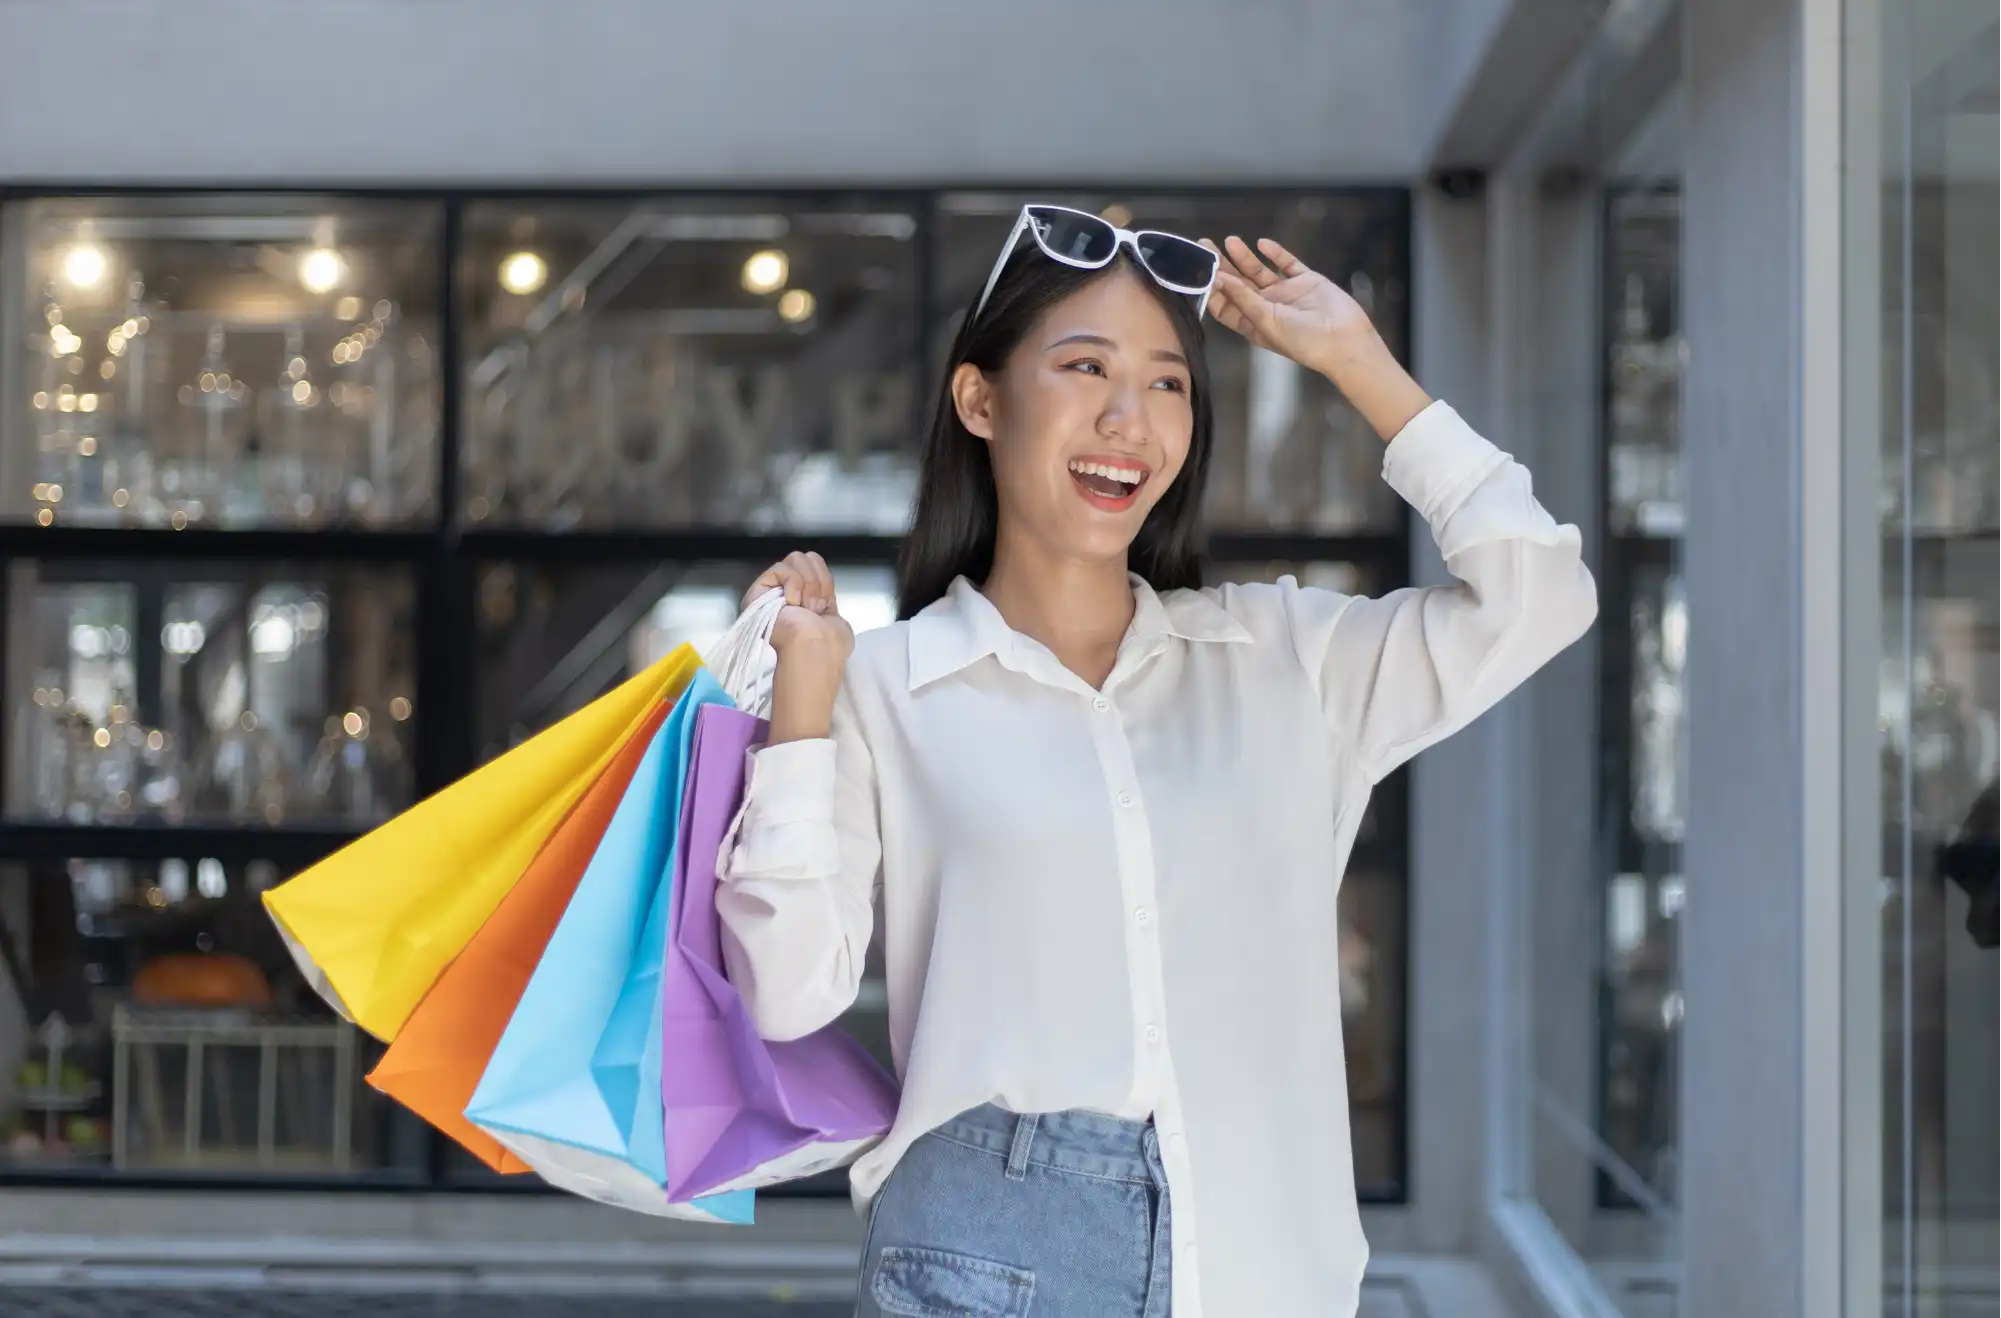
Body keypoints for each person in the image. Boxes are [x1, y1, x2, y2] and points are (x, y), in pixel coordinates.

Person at [715, 206, 1597, 1318]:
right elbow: (790, 992)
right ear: (979, 399)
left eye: (1168, 383)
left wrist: (1357, 362)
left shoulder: (1284, 660)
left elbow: (1542, 598)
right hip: (985, 1255)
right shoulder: (883, 686)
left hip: (1261, 1261)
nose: (1128, 420)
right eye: (1085, 367)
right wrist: (798, 713)